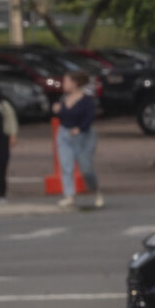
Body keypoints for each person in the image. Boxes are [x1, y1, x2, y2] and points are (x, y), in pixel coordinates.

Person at [52, 73, 99, 210]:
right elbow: (62, 115)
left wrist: (80, 128)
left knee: (86, 168)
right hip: (64, 135)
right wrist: (57, 110)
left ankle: (95, 190)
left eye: (66, 81)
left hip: (83, 137)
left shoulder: (86, 100)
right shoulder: (63, 99)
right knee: (66, 165)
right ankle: (69, 196)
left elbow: (90, 116)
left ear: (75, 83)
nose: (63, 84)